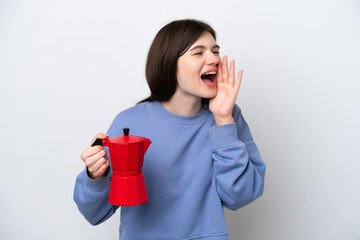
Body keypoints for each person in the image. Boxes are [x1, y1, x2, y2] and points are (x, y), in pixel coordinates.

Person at [74, 19, 266, 240]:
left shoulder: (228, 117)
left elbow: (241, 195)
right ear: (170, 64)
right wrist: (94, 176)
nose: (214, 59)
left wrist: (223, 119)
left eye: (215, 51)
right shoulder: (129, 122)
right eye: (198, 52)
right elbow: (94, 213)